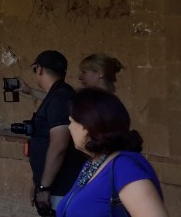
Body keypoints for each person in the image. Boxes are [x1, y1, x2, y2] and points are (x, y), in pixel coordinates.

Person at [57, 88, 167, 217]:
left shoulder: (124, 167)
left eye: (71, 122)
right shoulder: (92, 164)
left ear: (86, 127)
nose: (69, 127)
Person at [23, 50, 86, 215]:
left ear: (39, 69)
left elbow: (59, 146)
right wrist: (37, 180)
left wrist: (44, 186)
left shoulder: (60, 98)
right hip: (54, 184)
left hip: (59, 188)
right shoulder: (59, 94)